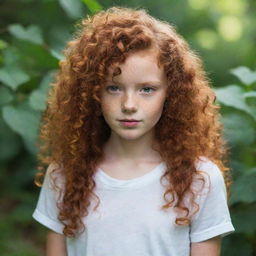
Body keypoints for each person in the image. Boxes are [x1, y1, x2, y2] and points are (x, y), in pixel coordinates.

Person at [32, 6, 235, 256]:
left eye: (147, 89)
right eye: (114, 88)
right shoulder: (64, 175)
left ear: (171, 94)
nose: (129, 105)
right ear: (92, 93)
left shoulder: (200, 179)